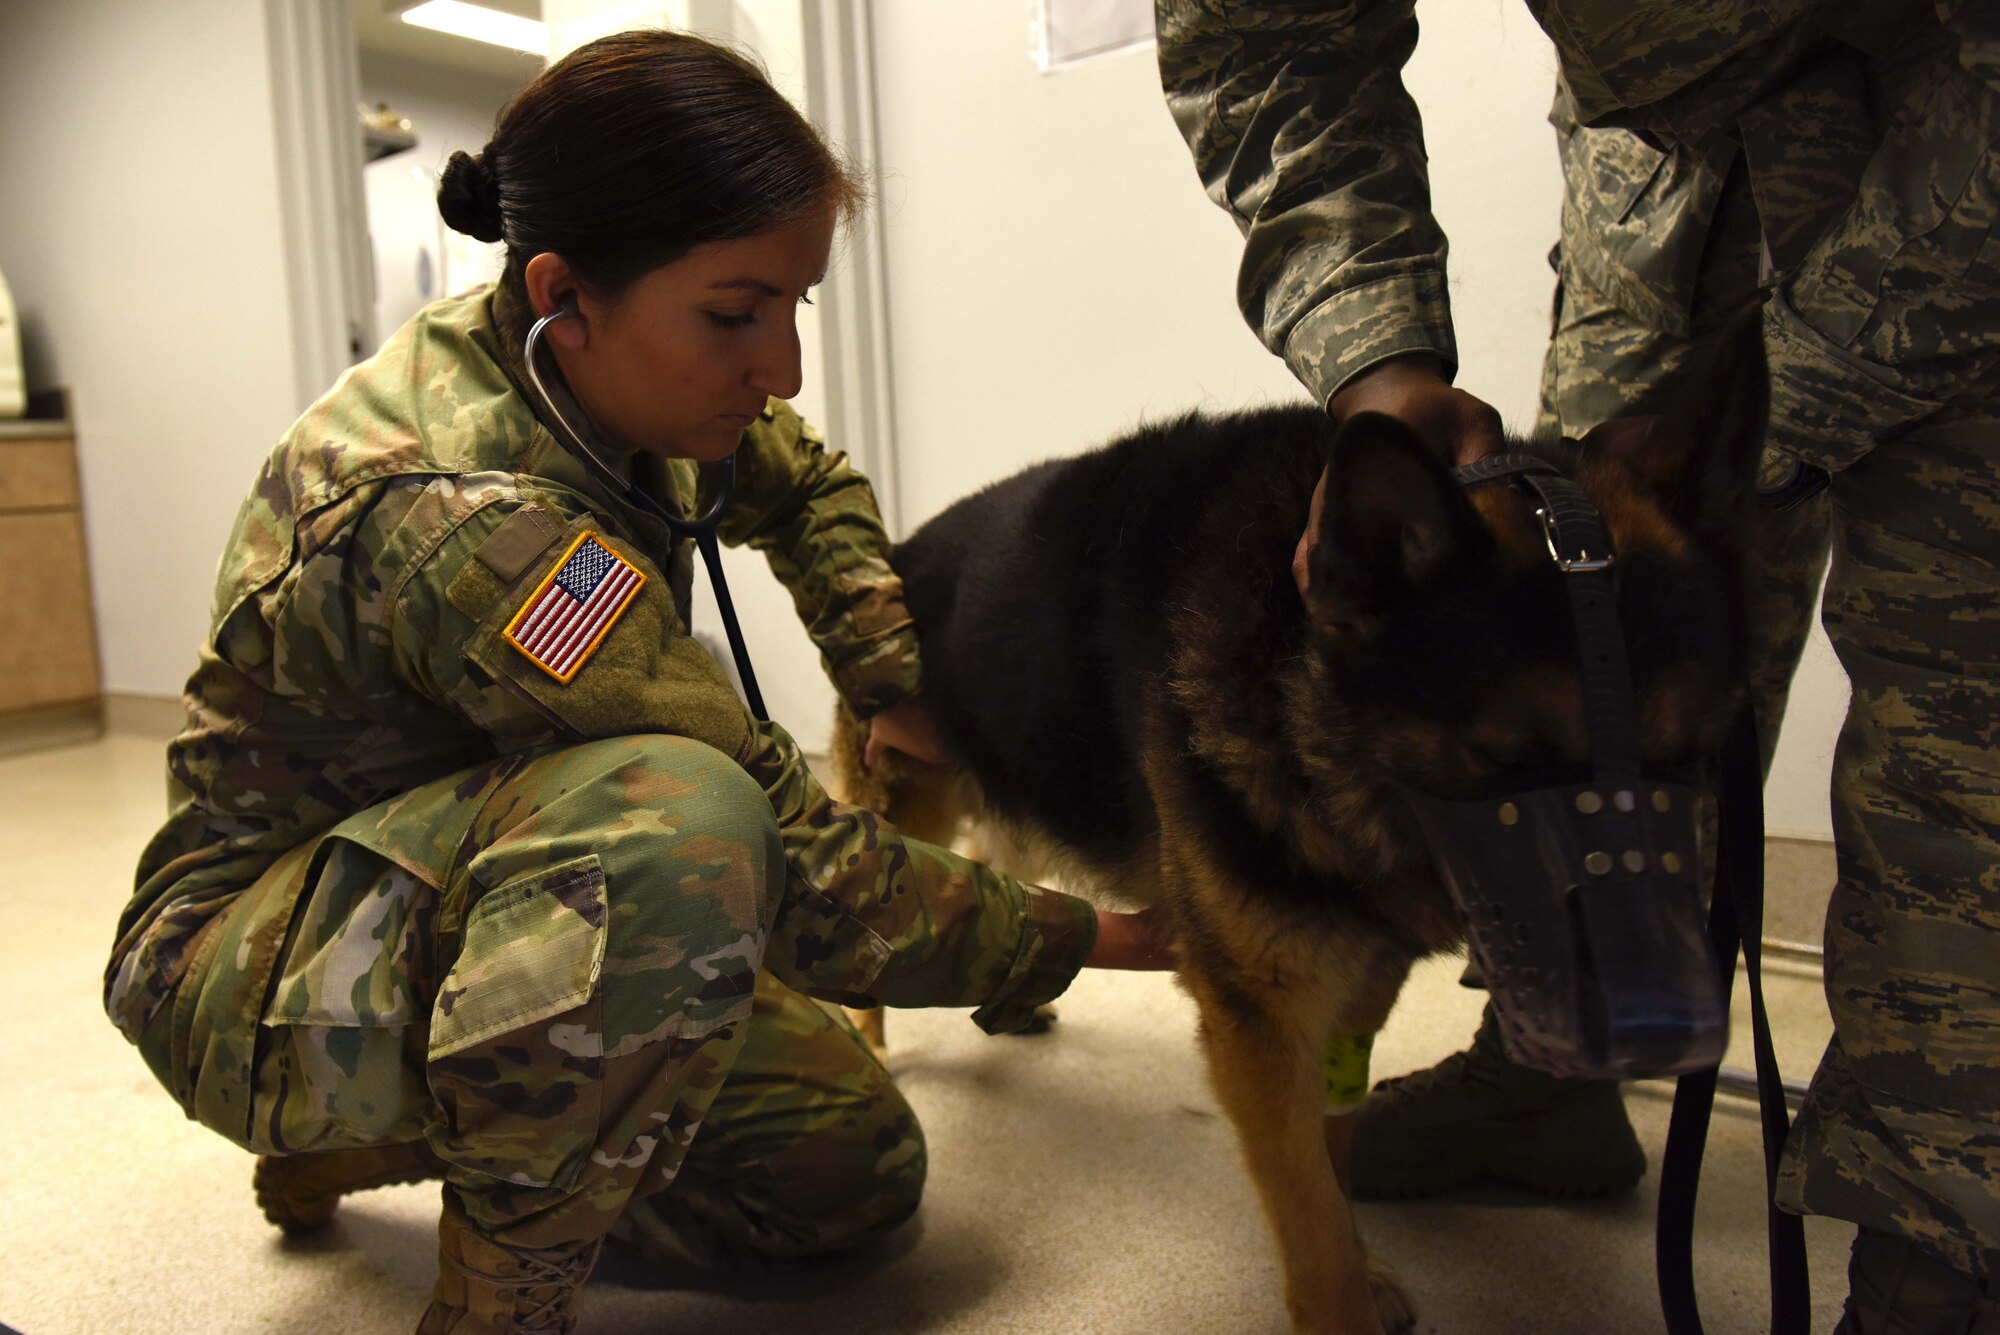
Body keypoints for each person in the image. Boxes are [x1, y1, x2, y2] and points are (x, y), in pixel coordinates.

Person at [103, 30, 1168, 1335]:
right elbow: (794, 859)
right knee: (684, 820)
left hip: (494, 889)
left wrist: (887, 678)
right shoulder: (470, 513)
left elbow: (807, 478)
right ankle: (495, 1301)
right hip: (255, 962)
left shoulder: (606, 370)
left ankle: (429, 1135)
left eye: (794, 307)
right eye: (737, 313)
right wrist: (1102, 935)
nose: (777, 367)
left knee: (848, 1177)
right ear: (565, 291)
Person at [1157, 0, 2000, 1328]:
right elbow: (1269, 40)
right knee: (1573, 656)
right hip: (1664, 163)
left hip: (1959, 144)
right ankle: (1546, 1079)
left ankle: (1953, 1249)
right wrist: (1370, 351)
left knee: (1972, 711)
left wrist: (1791, 399)